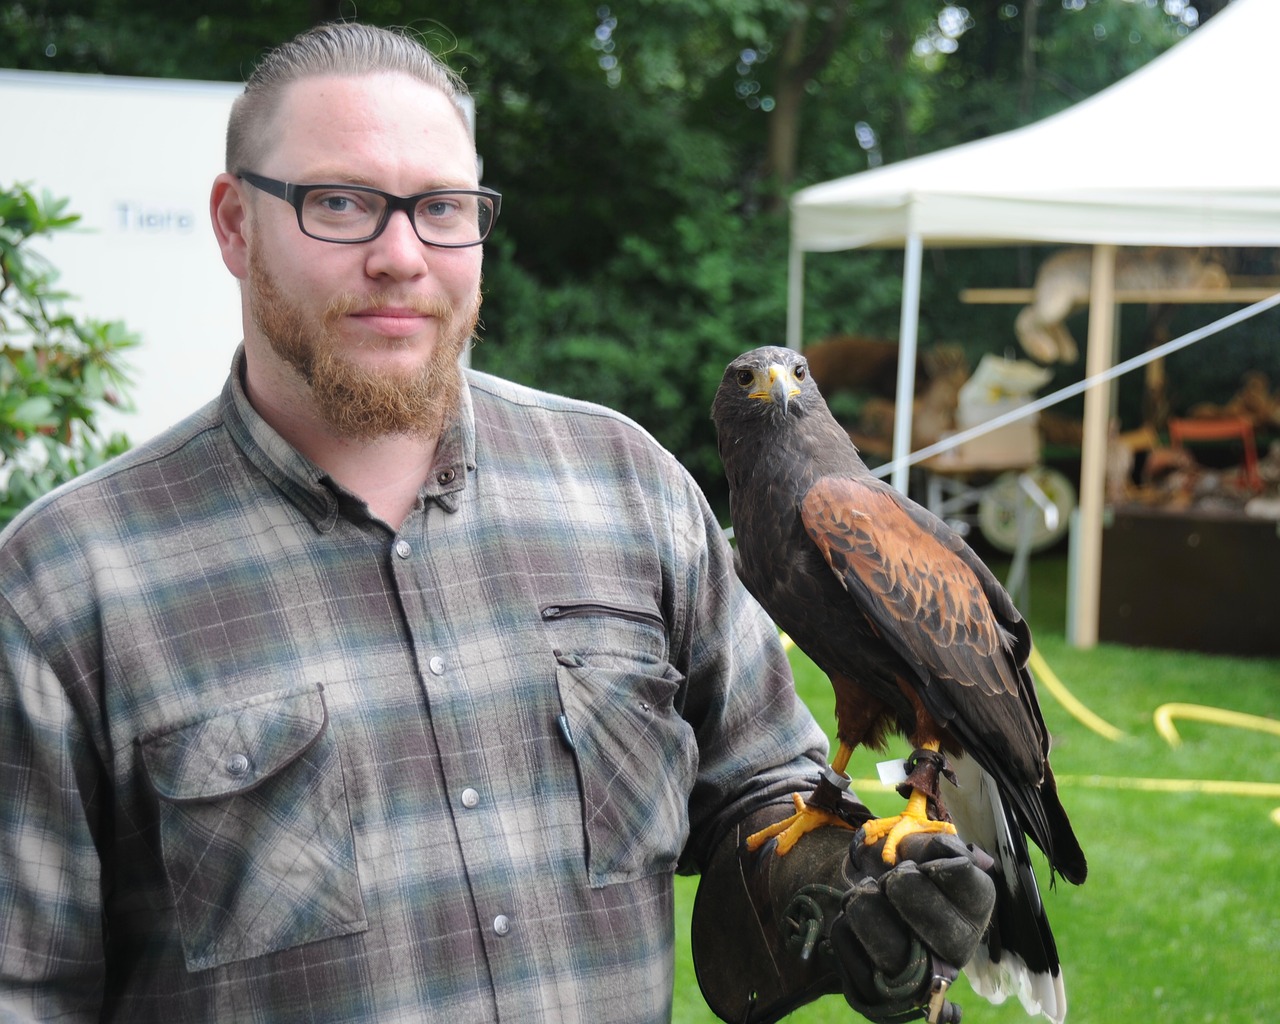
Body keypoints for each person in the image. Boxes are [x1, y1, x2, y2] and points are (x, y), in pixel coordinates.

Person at [0, 22, 995, 1023]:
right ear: (233, 224)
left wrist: (840, 895)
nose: (400, 255)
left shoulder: (629, 488)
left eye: (439, 207)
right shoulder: (65, 585)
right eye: (338, 202)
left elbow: (759, 784)